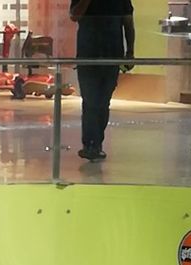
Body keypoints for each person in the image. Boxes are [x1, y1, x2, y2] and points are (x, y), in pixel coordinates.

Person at [70, 0, 135, 161]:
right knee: (90, 100)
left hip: (111, 55)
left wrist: (130, 52)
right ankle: (90, 144)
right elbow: (74, 16)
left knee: (103, 102)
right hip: (87, 55)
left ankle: (95, 143)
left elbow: (128, 23)